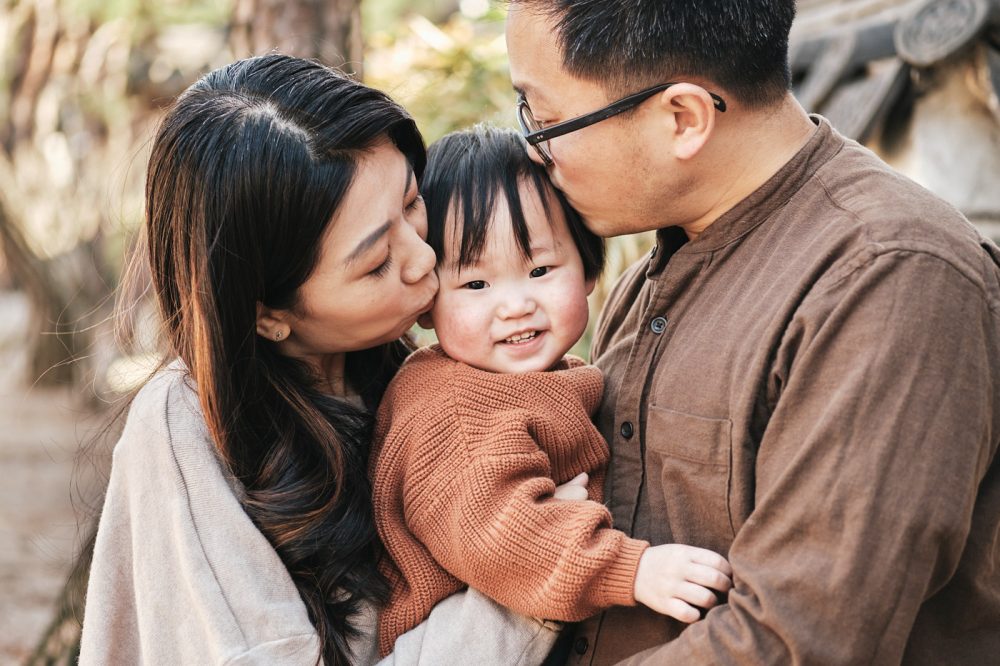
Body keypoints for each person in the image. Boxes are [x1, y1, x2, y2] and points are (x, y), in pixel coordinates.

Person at [505, 1, 1000, 664]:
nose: (534, 152)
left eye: (546, 119)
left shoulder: (889, 275)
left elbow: (799, 637)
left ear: (682, 118)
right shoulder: (656, 270)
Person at [79, 54, 566, 665]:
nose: (423, 259)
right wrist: (546, 572)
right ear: (266, 313)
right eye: (375, 264)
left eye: (413, 204)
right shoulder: (189, 429)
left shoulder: (409, 370)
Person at [370, 126, 733, 656]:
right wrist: (632, 570)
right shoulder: (451, 408)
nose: (515, 304)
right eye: (476, 284)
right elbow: (494, 534)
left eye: (540, 269)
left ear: (587, 269)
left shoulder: (543, 380)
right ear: (426, 296)